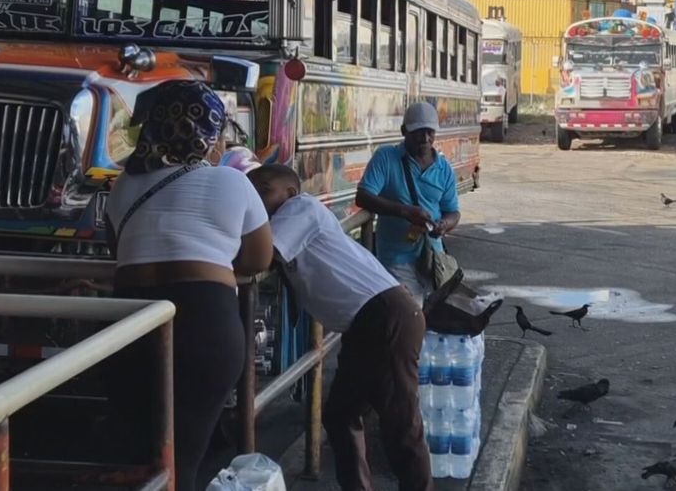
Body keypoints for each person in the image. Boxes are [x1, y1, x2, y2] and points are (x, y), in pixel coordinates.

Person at [103, 80, 273, 491]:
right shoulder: (232, 182)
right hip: (205, 322)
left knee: (141, 458)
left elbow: (118, 250)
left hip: (129, 323)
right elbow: (258, 259)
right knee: (185, 459)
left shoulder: (123, 186)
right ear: (208, 133)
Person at [247, 164, 432, 491]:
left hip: (384, 316)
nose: (256, 199)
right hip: (367, 322)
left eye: (263, 190)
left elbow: (262, 255)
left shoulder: (299, 209)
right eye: (250, 192)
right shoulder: (286, 216)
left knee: (400, 423)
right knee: (341, 414)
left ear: (291, 192)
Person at [357, 102, 460, 302]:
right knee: (411, 314)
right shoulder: (386, 158)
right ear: (404, 131)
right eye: (418, 133)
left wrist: (444, 225)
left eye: (430, 132)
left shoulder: (444, 168)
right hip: (396, 260)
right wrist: (404, 211)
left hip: (434, 260)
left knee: (436, 314)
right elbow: (363, 196)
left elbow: (453, 211)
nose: (425, 139)